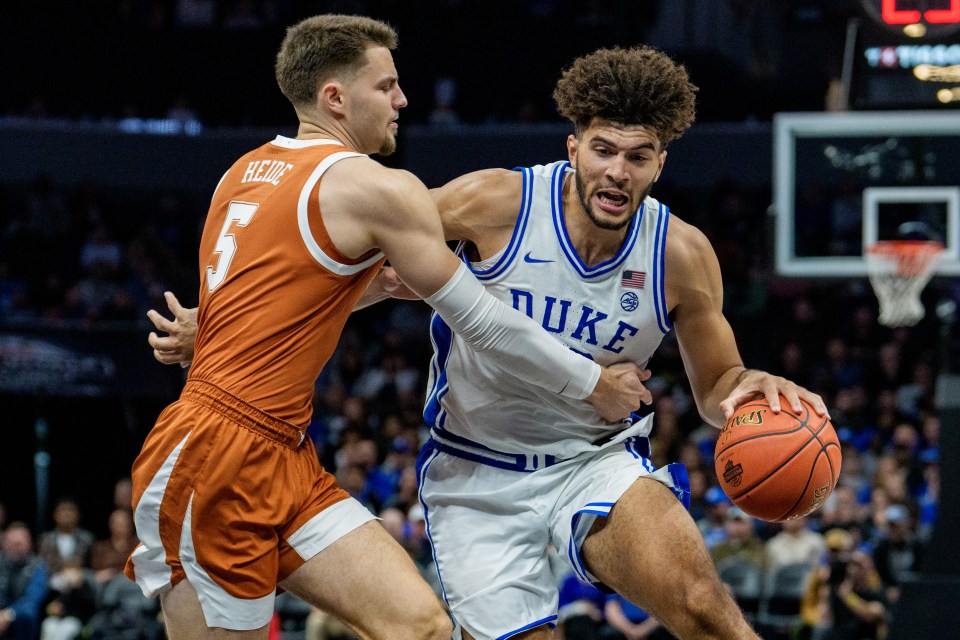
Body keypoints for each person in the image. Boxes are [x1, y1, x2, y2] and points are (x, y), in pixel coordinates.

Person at [147, 46, 829, 639]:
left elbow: (716, 386)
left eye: (638, 156)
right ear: (574, 149)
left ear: (659, 165)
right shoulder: (494, 202)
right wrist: (228, 322)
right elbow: (357, 265)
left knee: (703, 605)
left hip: (592, 459)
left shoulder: (682, 255)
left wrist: (746, 389)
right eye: (603, 150)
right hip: (476, 477)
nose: (618, 171)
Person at [125, 14, 645, 640]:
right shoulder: (371, 187)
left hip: (282, 453)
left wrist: (210, 328)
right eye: (386, 85)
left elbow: (292, 292)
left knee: (420, 626)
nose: (402, 100)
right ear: (335, 97)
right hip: (215, 459)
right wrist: (593, 384)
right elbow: (483, 323)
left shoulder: (244, 171)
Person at [0, 522, 48, 640]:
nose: (15, 547)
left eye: (19, 543)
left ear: (29, 544)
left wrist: (8, 614)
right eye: (12, 543)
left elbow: (33, 599)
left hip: (20, 615)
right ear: (4, 543)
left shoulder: (38, 566)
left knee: (29, 613)